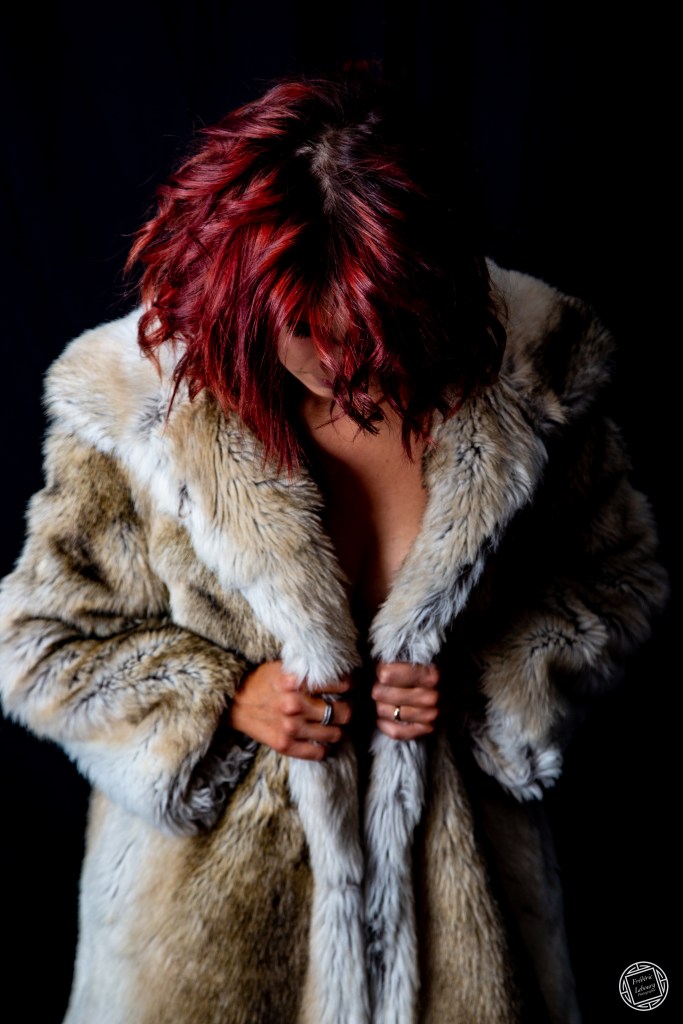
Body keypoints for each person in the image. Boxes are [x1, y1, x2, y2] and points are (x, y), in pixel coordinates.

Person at [0, 68, 668, 1024]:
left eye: (376, 331)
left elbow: (619, 584)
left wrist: (488, 683)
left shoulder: (533, 378)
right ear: (244, 292)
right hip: (204, 963)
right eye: (306, 330)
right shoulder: (137, 410)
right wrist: (222, 701)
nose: (343, 361)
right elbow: (34, 644)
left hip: (462, 950)